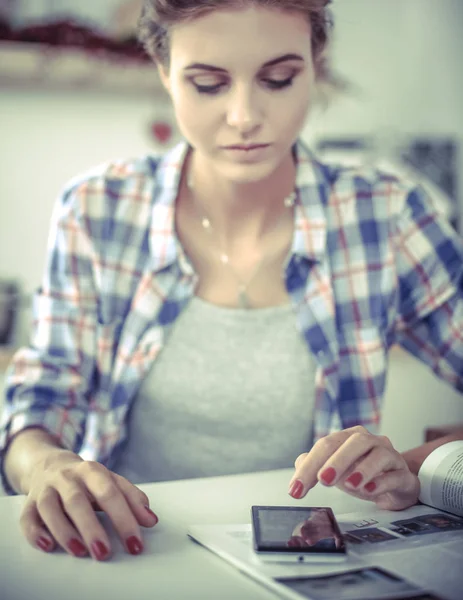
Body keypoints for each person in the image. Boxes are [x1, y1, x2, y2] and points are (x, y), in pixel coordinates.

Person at [0, 0, 462, 564]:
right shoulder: (97, 209)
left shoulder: (389, 215)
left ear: (317, 64)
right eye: (208, 84)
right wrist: (47, 465)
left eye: (278, 79)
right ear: (165, 71)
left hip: (315, 563)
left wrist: (412, 467)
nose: (244, 115)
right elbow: (41, 400)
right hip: (130, 555)